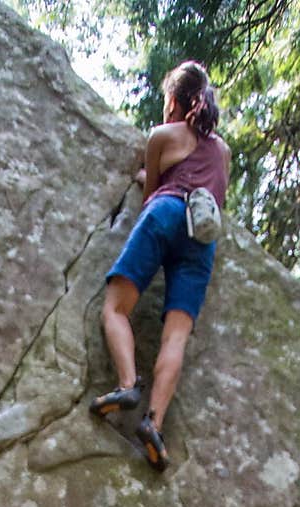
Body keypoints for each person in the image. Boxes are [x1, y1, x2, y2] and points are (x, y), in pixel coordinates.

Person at [90, 60, 231, 471]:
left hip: (166, 212)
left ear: (173, 100)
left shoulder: (163, 136)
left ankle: (127, 385)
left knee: (115, 308)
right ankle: (154, 423)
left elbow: (152, 191)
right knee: (176, 337)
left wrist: (144, 178)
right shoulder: (223, 152)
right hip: (202, 237)